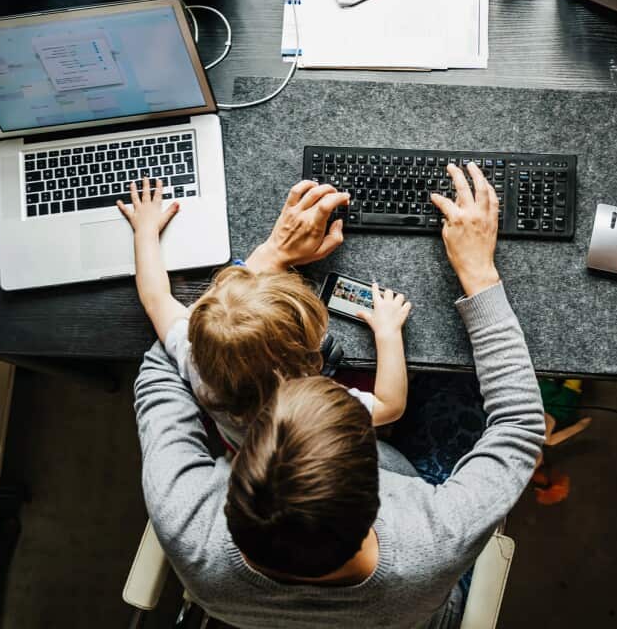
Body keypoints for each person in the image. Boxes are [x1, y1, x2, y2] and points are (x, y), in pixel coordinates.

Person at [132, 164, 546, 628]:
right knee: (456, 391)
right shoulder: (432, 539)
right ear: (378, 496)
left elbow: (161, 367)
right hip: (419, 611)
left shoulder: (184, 520)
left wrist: (264, 264)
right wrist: (479, 273)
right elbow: (519, 427)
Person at [118, 178, 412, 448]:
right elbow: (390, 405)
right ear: (307, 356)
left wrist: (145, 232)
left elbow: (156, 298)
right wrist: (388, 333)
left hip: (243, 444)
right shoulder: (314, 407)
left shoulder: (194, 357)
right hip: (305, 444)